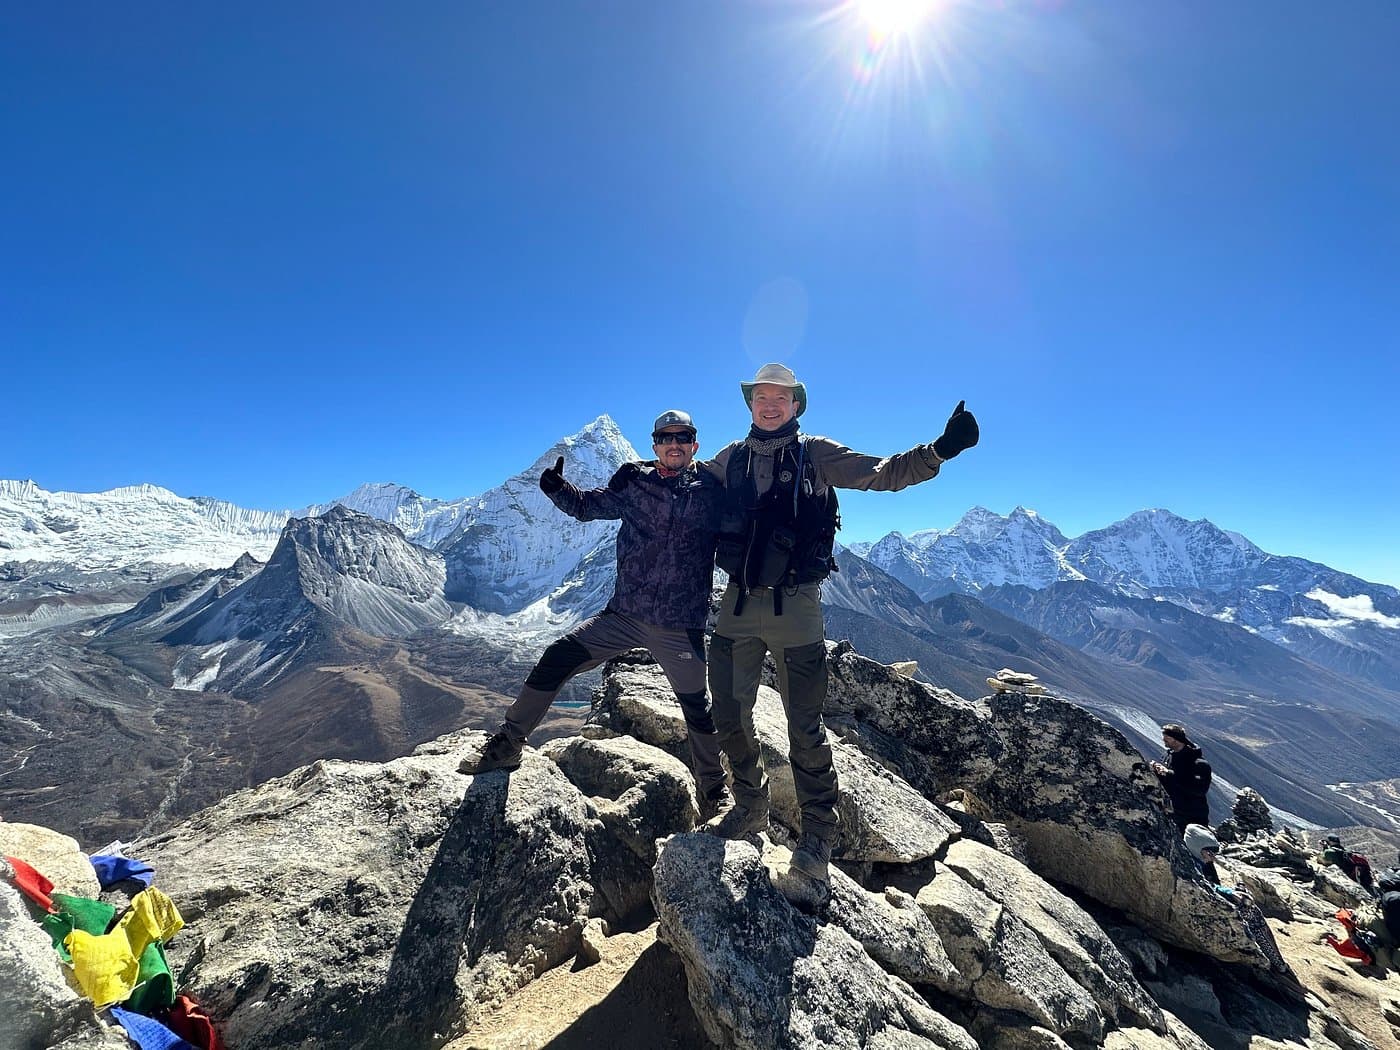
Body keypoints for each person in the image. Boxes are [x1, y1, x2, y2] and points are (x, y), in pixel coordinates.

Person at [699, 362, 979, 883]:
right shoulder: (728, 460)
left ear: (795, 405)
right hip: (736, 605)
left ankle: (817, 837)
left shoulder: (817, 455)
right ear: (750, 404)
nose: (771, 404)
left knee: (803, 726)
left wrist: (939, 451)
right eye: (762, 396)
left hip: (798, 608)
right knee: (729, 714)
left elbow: (883, 472)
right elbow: (682, 487)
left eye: (781, 397)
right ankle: (750, 804)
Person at [461, 410, 731, 818]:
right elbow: (590, 507)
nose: (674, 444)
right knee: (558, 658)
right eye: (665, 437)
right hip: (623, 616)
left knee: (696, 706)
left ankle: (713, 790)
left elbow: (739, 533)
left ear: (695, 444)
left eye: (683, 436)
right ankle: (508, 744)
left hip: (680, 624)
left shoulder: (712, 489)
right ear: (654, 443)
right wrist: (558, 490)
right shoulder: (633, 479)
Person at [1182, 823, 1294, 977]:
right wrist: (1230, 894)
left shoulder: (1190, 859)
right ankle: (1275, 963)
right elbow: (1203, 886)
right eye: (1209, 853)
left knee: (1251, 910)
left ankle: (1274, 960)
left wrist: (1231, 892)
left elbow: (1207, 885)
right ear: (1198, 848)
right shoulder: (1190, 864)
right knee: (1252, 915)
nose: (1212, 859)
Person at [1150, 723, 1211, 835]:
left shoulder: (1198, 763)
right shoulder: (1169, 756)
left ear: (1176, 740)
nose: (1163, 740)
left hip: (1192, 815)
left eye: (1167, 738)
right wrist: (1156, 771)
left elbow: (1199, 790)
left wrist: (1168, 773)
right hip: (1173, 811)